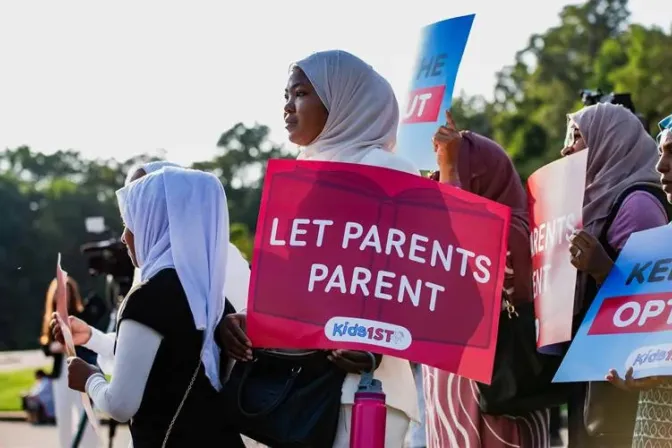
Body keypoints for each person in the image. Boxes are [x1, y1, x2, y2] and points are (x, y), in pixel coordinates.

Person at [222, 50, 419, 447]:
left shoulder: (388, 171)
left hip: (364, 389)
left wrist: (374, 346)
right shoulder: (300, 177)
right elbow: (296, 282)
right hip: (295, 384)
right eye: (286, 95)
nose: (287, 107)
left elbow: (418, 281)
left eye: (301, 94)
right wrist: (247, 321)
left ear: (342, 100)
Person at [55, 167, 245, 447]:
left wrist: (90, 378)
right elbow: (165, 362)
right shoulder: (208, 293)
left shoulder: (148, 296)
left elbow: (120, 405)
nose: (124, 237)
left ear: (154, 222)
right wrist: (94, 337)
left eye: (131, 223)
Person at [422, 111, 550, 447]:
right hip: (450, 386)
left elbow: (474, 255)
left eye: (459, 176)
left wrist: (451, 176)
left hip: (501, 386)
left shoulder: (517, 233)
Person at [564, 103, 669, 447]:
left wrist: (601, 268)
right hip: (607, 379)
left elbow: (649, 302)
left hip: (633, 390)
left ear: (608, 141)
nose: (660, 164)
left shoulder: (638, 206)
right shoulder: (593, 204)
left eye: (577, 136)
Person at [594, 114, 672, 448]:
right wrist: (637, 365)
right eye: (660, 153)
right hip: (657, 415)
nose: (661, 166)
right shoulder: (657, 243)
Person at [40, 276, 99, 447]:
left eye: (66, 292)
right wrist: (56, 347)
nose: (62, 296)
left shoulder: (79, 316)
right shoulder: (52, 318)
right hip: (61, 374)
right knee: (64, 417)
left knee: (85, 415)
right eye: (59, 292)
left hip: (80, 370)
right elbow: (45, 346)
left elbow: (98, 310)